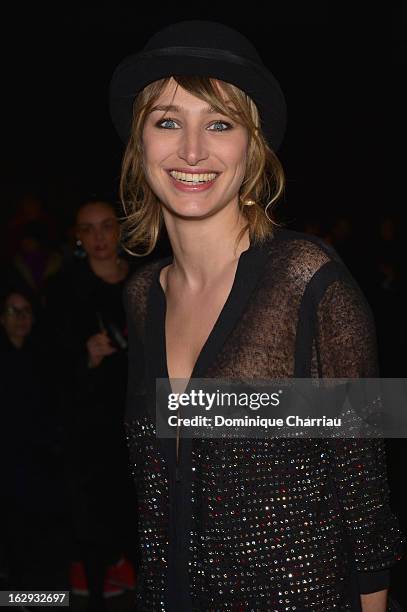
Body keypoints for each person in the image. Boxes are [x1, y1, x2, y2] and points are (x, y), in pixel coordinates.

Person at [109, 21, 404, 611]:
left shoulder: (309, 282)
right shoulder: (143, 295)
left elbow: (365, 506)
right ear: (139, 144)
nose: (192, 150)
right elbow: (157, 503)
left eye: (219, 124)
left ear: (254, 146)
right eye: (168, 121)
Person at [45, 198, 138, 611]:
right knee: (95, 519)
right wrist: (85, 357)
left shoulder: (145, 279)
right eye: (89, 229)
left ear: (119, 230)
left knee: (141, 516)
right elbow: (46, 363)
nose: (99, 237)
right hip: (91, 426)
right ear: (79, 238)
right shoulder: (65, 287)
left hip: (142, 415)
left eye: (106, 226)